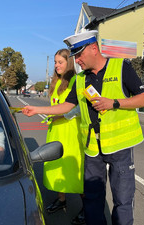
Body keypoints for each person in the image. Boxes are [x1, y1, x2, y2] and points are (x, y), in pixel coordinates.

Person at [22, 30, 144, 225]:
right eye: (75, 56)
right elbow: (67, 105)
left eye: (79, 55)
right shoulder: (81, 79)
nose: (77, 60)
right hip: (92, 148)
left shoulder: (120, 67)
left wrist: (114, 103)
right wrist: (37, 109)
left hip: (120, 145)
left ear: (94, 48)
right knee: (92, 199)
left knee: (122, 200)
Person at [43, 49, 85, 225]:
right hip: (55, 131)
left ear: (69, 63)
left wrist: (60, 116)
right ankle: (61, 201)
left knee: (75, 171)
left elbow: (79, 109)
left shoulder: (76, 80)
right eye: (55, 62)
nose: (56, 65)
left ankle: (87, 207)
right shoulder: (54, 82)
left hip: (71, 133)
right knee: (57, 167)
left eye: (60, 62)